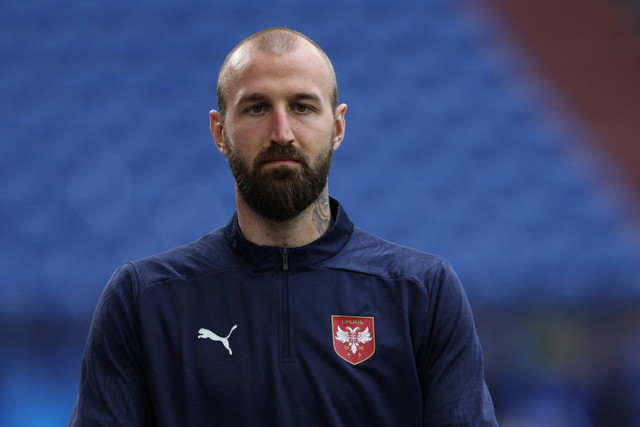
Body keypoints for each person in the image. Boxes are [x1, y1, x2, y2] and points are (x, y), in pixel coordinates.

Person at [69, 27, 497, 426]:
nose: (281, 132)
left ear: (338, 126)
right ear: (220, 131)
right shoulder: (144, 299)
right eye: (257, 108)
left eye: (302, 107)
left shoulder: (421, 292)